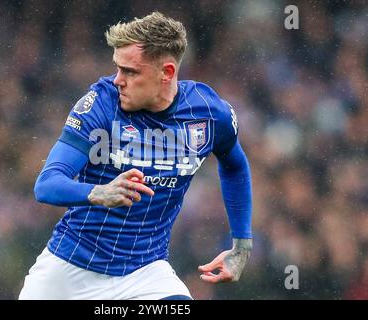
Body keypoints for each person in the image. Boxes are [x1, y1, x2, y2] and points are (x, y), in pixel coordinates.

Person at [19, 11, 252, 300]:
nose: (118, 80)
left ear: (166, 72)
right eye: (117, 68)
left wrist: (242, 246)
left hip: (144, 273)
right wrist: (98, 192)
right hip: (69, 271)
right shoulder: (100, 105)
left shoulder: (208, 114)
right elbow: (47, 185)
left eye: (130, 71)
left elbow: (235, 167)